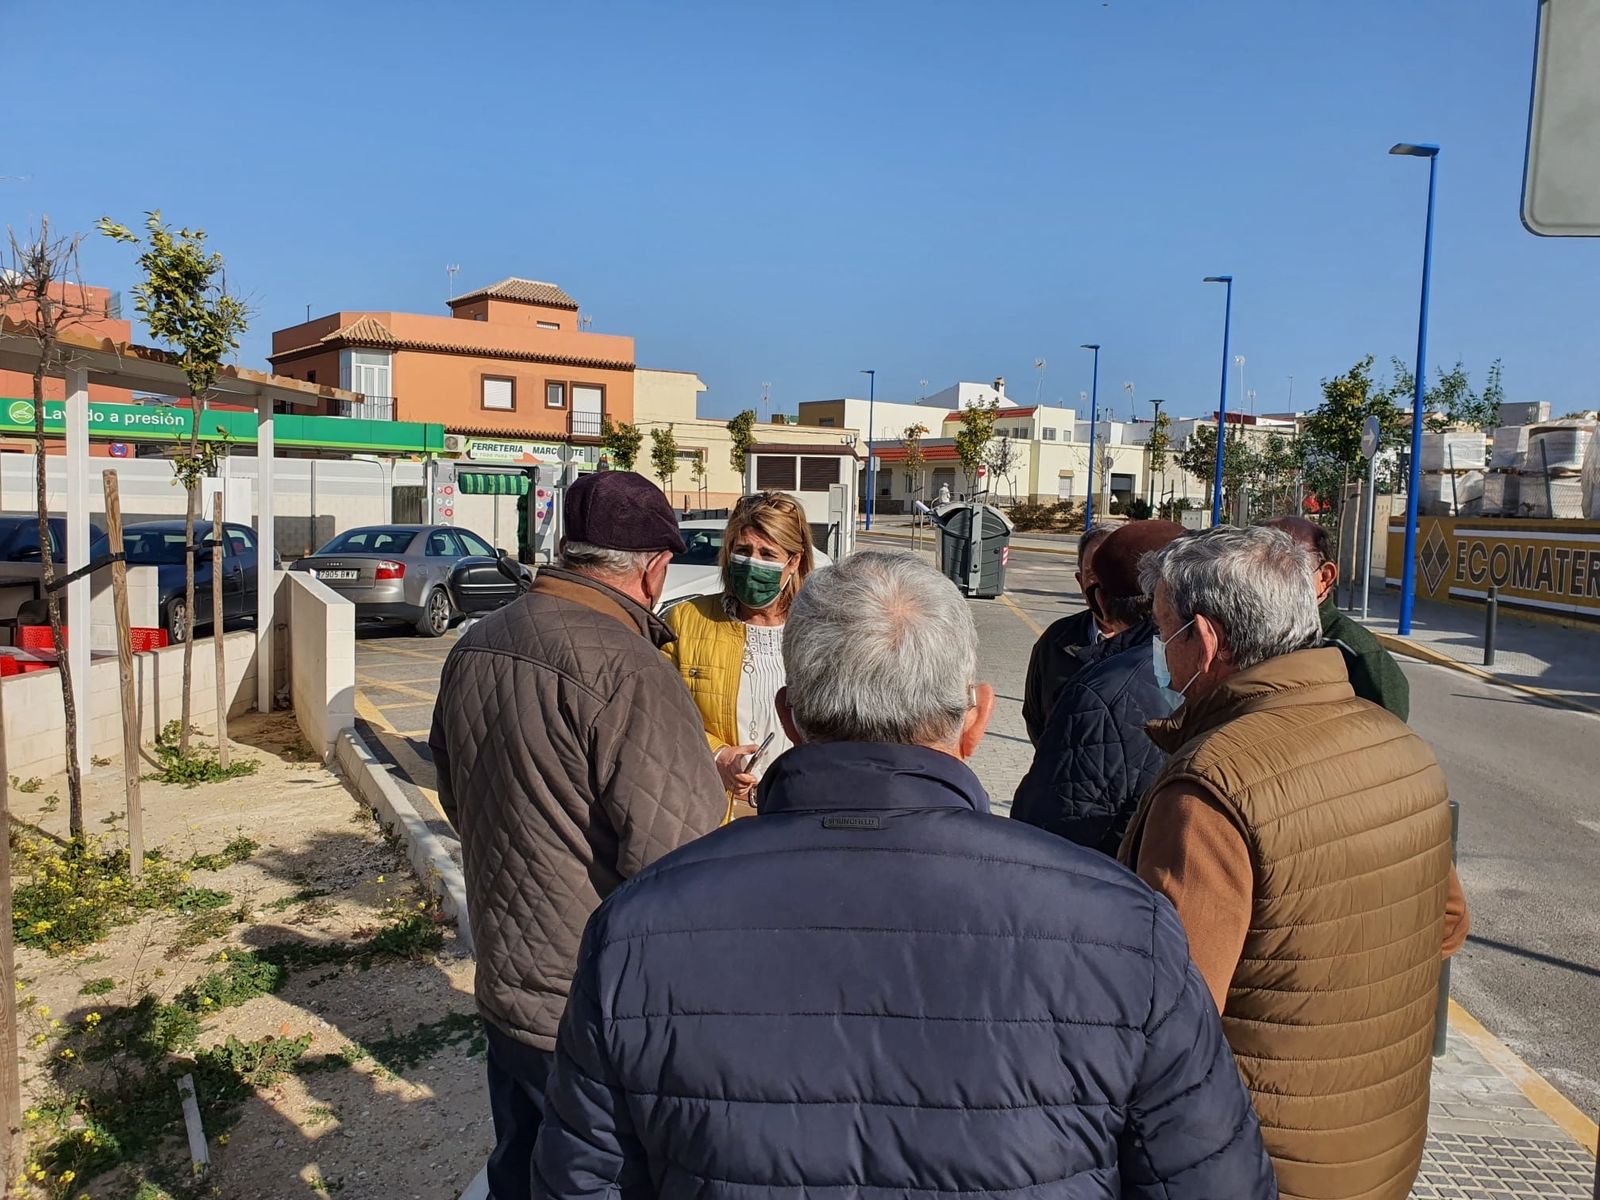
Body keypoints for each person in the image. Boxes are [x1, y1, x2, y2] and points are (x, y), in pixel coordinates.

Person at [533, 552, 1276, 1200]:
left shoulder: (637, 930)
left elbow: (583, 1181)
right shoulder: (1124, 928)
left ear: (791, 718)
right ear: (975, 719)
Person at [1121, 525, 1469, 1200]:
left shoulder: (1214, 785)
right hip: (1382, 1147)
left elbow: (1172, 1014)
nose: (1159, 657)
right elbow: (1448, 924)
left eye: (1164, 632)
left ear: (1206, 640)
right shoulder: (1400, 746)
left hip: (1260, 1160)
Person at [429, 471, 726, 1200]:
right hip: (597, 1010)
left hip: (506, 985)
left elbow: (453, 794)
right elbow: (679, 870)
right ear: (656, 569)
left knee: (520, 1169)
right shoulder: (632, 670)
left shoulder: (478, 643)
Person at [1011, 520, 1185, 855]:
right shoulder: (1057, 642)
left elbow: (1043, 836)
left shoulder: (1098, 694)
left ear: (1101, 598)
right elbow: (1035, 717)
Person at [663, 491, 815, 820]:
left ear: (794, 561)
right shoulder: (686, 621)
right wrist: (719, 755)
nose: (752, 564)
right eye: (743, 551)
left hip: (798, 811)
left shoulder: (821, 631)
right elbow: (662, 715)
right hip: (712, 813)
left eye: (767, 554)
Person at [1261, 514, 1410, 720]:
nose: (1266, 582)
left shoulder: (1359, 654)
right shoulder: (1246, 633)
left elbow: (1386, 736)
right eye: (1258, 568)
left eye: (1285, 569)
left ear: (1324, 577)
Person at [1021, 524, 1113, 744]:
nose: (1102, 585)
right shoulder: (1055, 641)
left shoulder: (1158, 643)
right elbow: (1035, 717)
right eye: (1092, 574)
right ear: (1080, 582)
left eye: (1112, 572)